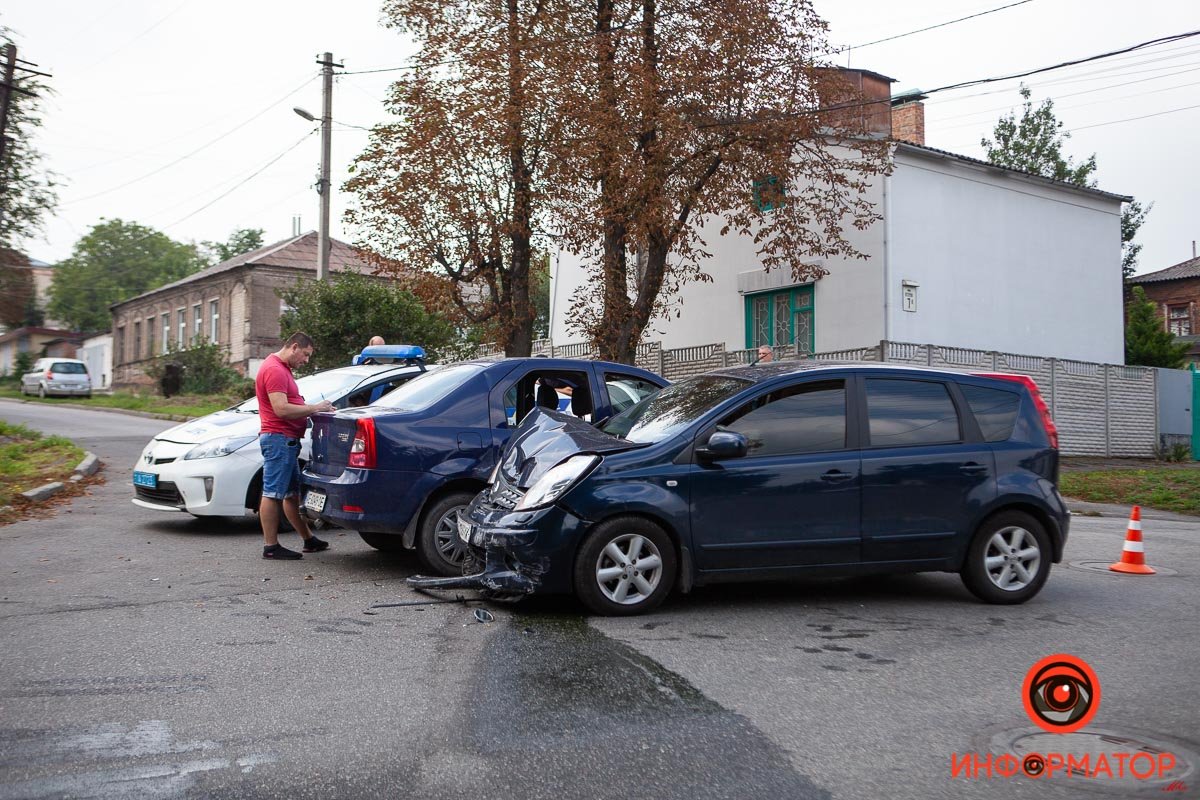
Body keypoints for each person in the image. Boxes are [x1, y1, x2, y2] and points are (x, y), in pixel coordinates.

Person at [256, 332, 334, 560]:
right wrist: (314, 408)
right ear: (294, 347)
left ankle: (309, 540)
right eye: (306, 355)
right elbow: (281, 409)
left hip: (285, 440)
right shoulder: (275, 369)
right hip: (278, 439)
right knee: (272, 493)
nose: (306, 361)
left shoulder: (281, 368)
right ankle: (271, 547)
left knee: (290, 495)